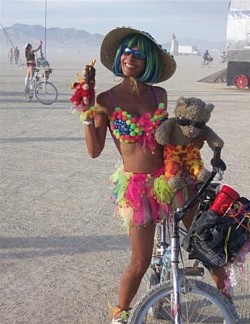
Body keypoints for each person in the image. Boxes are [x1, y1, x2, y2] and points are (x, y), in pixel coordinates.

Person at [80, 27, 230, 323]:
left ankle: (226, 299)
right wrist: (87, 113)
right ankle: (120, 315)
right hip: (136, 188)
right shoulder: (106, 100)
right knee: (140, 260)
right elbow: (95, 150)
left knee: (200, 240)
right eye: (126, 51)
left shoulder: (158, 94)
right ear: (118, 58)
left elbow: (171, 135)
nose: (130, 57)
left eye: (138, 53)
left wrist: (195, 141)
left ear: (147, 59)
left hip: (172, 178)